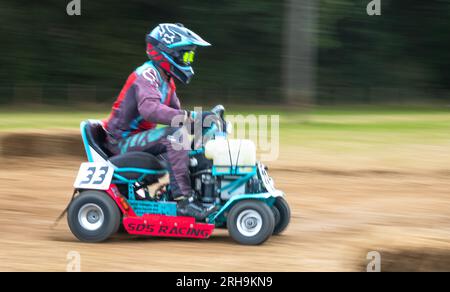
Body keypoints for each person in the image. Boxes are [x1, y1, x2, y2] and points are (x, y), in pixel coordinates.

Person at [103, 23, 214, 220]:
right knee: (176, 137)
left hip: (138, 141)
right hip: (120, 142)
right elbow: (150, 110)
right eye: (186, 55)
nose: (189, 60)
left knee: (192, 141)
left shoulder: (166, 80)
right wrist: (191, 118)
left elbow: (177, 115)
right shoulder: (146, 74)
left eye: (190, 57)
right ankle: (183, 201)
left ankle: (202, 193)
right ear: (167, 52)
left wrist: (204, 121)